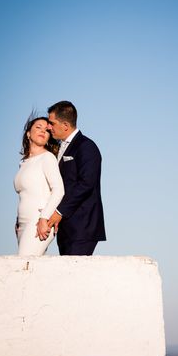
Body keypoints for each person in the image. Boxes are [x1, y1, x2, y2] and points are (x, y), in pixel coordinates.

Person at [38, 101, 106, 255]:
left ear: (66, 125)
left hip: (82, 227)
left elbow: (86, 184)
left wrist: (59, 212)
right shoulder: (58, 147)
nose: (48, 127)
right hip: (65, 228)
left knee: (76, 275)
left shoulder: (86, 147)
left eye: (51, 123)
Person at [14, 115, 65, 255]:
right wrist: (17, 220)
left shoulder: (47, 158)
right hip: (23, 224)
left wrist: (44, 218)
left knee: (23, 263)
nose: (43, 131)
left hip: (39, 221)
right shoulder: (23, 162)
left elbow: (59, 190)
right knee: (29, 269)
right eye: (38, 127)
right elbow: (26, 194)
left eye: (47, 130)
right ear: (28, 133)